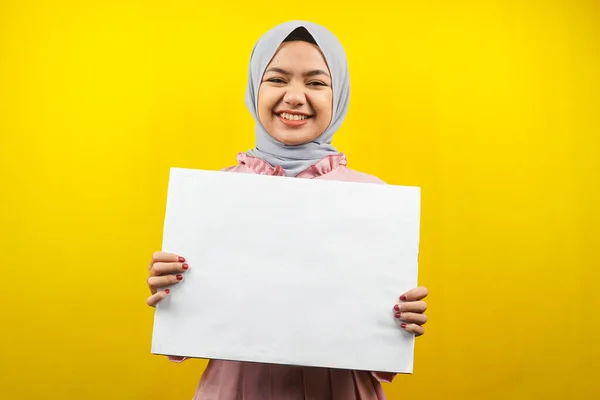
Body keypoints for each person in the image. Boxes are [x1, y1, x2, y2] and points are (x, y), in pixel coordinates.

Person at [146, 20, 429, 400]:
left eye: (315, 83)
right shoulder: (213, 196)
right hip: (237, 389)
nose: (295, 97)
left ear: (339, 94)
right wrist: (173, 295)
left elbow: (379, 353)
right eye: (277, 79)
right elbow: (187, 339)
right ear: (254, 88)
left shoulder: (374, 199)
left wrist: (399, 322)